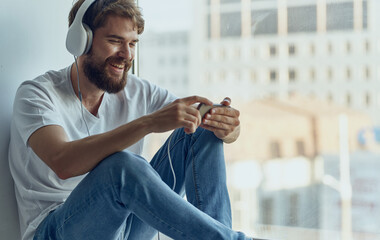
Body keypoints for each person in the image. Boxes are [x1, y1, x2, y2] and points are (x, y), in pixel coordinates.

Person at [9, 0, 252, 239]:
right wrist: (148, 123)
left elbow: (206, 124)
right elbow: (63, 162)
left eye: (133, 43)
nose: (126, 55)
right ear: (82, 41)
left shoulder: (138, 90)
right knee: (123, 167)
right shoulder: (37, 94)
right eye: (115, 41)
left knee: (201, 129)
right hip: (57, 230)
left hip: (126, 225)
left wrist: (226, 128)